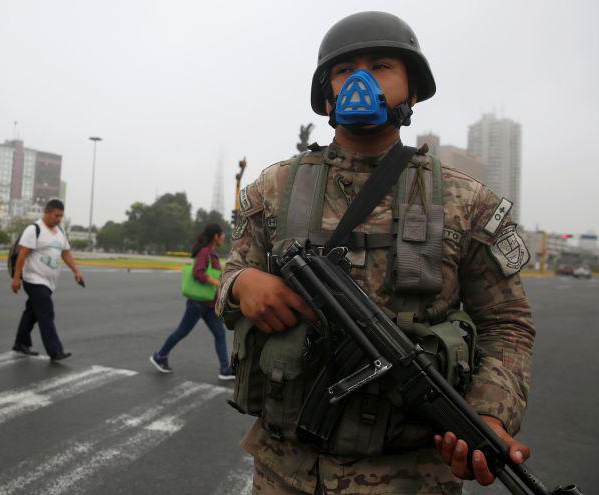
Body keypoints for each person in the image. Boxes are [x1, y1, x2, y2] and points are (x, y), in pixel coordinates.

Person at [216, 12, 535, 494]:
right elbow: (231, 270)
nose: (360, 81)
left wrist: (491, 411)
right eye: (345, 70)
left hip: (409, 476)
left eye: (382, 65)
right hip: (284, 470)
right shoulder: (274, 187)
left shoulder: (465, 201)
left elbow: (507, 322)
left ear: (412, 89)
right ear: (327, 92)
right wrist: (242, 285)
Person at [150, 224, 234, 380]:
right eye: (222, 234)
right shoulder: (205, 253)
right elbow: (198, 273)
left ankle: (225, 369)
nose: (223, 237)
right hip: (197, 304)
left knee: (220, 333)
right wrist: (217, 283)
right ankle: (160, 356)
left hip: (208, 304)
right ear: (215, 236)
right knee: (182, 332)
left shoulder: (212, 254)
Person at [10, 199, 82, 361]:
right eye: (56, 215)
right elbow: (22, 255)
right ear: (47, 212)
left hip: (49, 282)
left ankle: (21, 342)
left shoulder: (60, 232)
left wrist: (76, 271)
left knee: (32, 312)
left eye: (61, 216)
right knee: (46, 311)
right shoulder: (34, 229)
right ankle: (55, 350)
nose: (59, 219)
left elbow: (66, 253)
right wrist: (16, 278)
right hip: (33, 278)